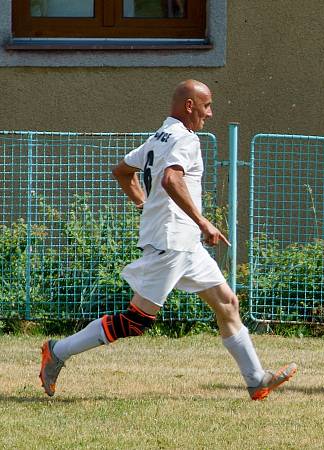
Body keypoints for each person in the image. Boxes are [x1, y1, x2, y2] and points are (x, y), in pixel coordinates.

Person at [39, 79, 297, 401]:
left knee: (228, 303)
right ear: (190, 106)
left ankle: (256, 380)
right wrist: (203, 222)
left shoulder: (158, 136)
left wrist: (145, 205)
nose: (211, 113)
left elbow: (122, 171)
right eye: (207, 106)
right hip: (171, 241)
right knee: (136, 321)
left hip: (184, 243)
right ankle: (57, 351)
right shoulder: (185, 139)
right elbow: (171, 177)